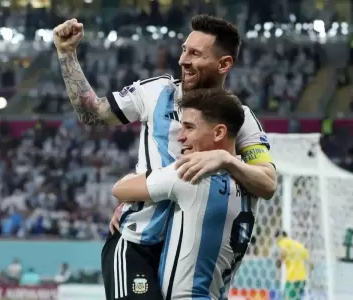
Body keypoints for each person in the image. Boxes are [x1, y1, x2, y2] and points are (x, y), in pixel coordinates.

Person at [53, 15, 277, 300]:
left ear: (224, 64)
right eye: (184, 49)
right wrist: (67, 54)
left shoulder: (239, 117)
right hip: (139, 243)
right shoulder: (156, 91)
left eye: (195, 54)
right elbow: (93, 113)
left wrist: (227, 159)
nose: (183, 60)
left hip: (189, 254)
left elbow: (267, 183)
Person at [112, 88, 258, 299]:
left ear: (218, 133)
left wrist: (129, 203)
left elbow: (120, 189)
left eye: (189, 128)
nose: (180, 137)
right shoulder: (250, 180)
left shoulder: (190, 174)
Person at [274, 231, 312, 300]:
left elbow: (283, 251)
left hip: (292, 277)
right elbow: (311, 263)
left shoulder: (284, 241)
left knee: (286, 298)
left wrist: (279, 261)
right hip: (302, 278)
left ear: (279, 238)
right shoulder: (299, 245)